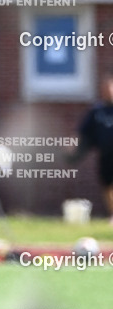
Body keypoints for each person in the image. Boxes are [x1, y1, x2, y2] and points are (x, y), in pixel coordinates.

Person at [69, 70, 113, 222]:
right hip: (105, 154)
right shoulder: (97, 111)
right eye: (105, 86)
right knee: (107, 185)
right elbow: (83, 131)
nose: (108, 89)